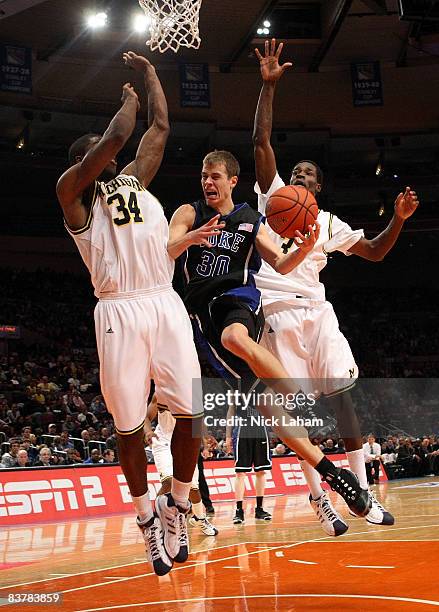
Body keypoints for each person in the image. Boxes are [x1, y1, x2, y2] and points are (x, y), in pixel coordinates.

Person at [252, 39, 419, 534]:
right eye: (295, 171)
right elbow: (261, 145)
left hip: (318, 312)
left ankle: (359, 487)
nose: (298, 176)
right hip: (278, 309)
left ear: (318, 188)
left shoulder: (326, 221)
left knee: (343, 395)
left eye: (308, 174)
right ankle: (318, 497)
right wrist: (267, 90)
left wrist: (399, 220)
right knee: (297, 410)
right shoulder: (271, 200)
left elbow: (373, 251)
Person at [56, 51, 203, 576]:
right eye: (95, 154)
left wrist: (152, 75)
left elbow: (160, 127)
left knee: (191, 412)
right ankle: (145, 519)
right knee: (129, 425)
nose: (108, 157)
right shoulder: (73, 194)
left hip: (163, 301)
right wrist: (127, 101)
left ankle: (178, 507)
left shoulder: (135, 183)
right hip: (118, 310)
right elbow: (117, 137)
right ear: (86, 161)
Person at [168, 149, 372, 520]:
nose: (207, 182)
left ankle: (297, 397)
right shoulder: (189, 212)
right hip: (203, 309)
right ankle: (335, 475)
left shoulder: (250, 218)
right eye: (203, 176)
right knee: (267, 406)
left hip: (241, 303)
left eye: (214, 176)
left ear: (232, 181)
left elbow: (281, 261)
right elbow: (166, 250)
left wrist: (306, 247)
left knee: (235, 337)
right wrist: (192, 237)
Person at [148, 395, 218, 537]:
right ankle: (154, 522)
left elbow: (199, 419)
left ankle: (200, 518)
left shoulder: (191, 394)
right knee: (168, 482)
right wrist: (148, 431)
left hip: (186, 442)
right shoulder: (160, 394)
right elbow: (146, 417)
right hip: (164, 441)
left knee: (193, 489)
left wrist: (205, 439)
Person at [226, 402, 272, 524]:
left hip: (260, 430)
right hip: (242, 431)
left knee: (261, 471)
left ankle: (260, 509)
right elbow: (231, 411)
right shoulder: (235, 388)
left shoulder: (263, 386)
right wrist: (228, 435)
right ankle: (239, 511)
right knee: (240, 473)